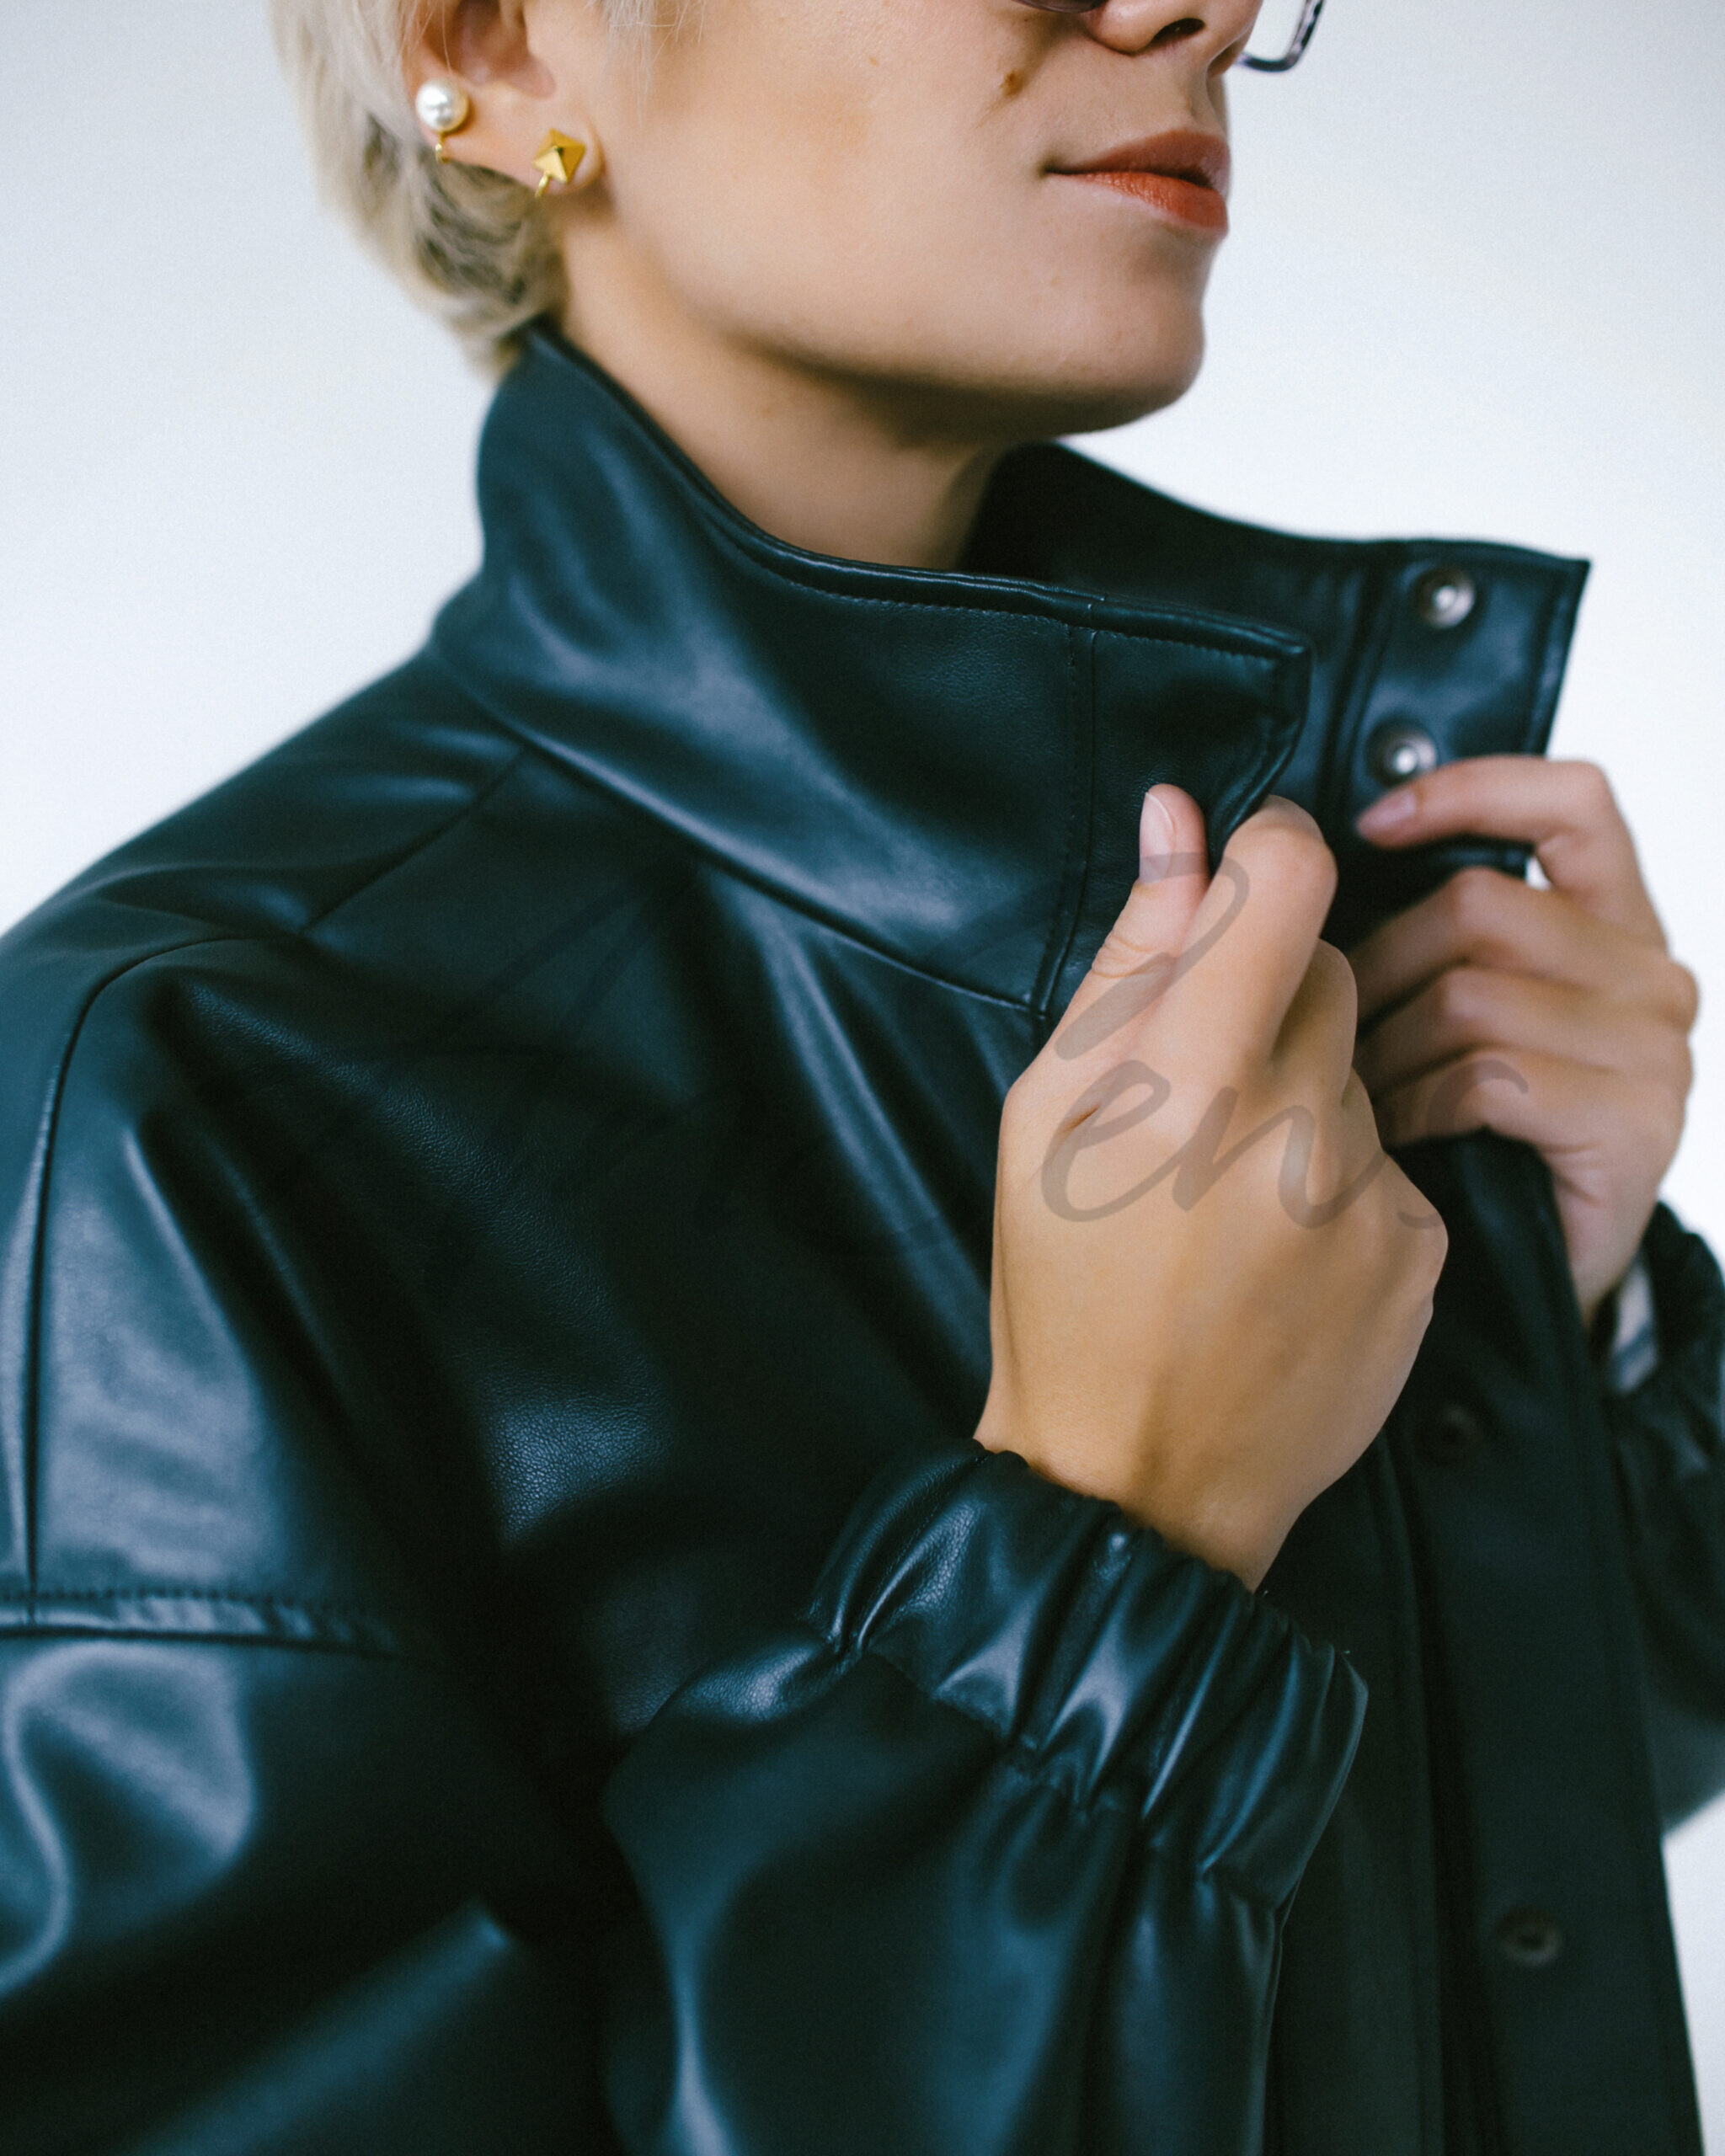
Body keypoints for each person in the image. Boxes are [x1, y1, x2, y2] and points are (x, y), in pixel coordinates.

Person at [0, 0, 1719, 2150]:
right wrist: (1101, 1554)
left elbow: (1431, 1958)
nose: (1188, 8)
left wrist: (1554, 1338)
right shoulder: (161, 1106)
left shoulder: (1274, 922)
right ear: (499, 46)